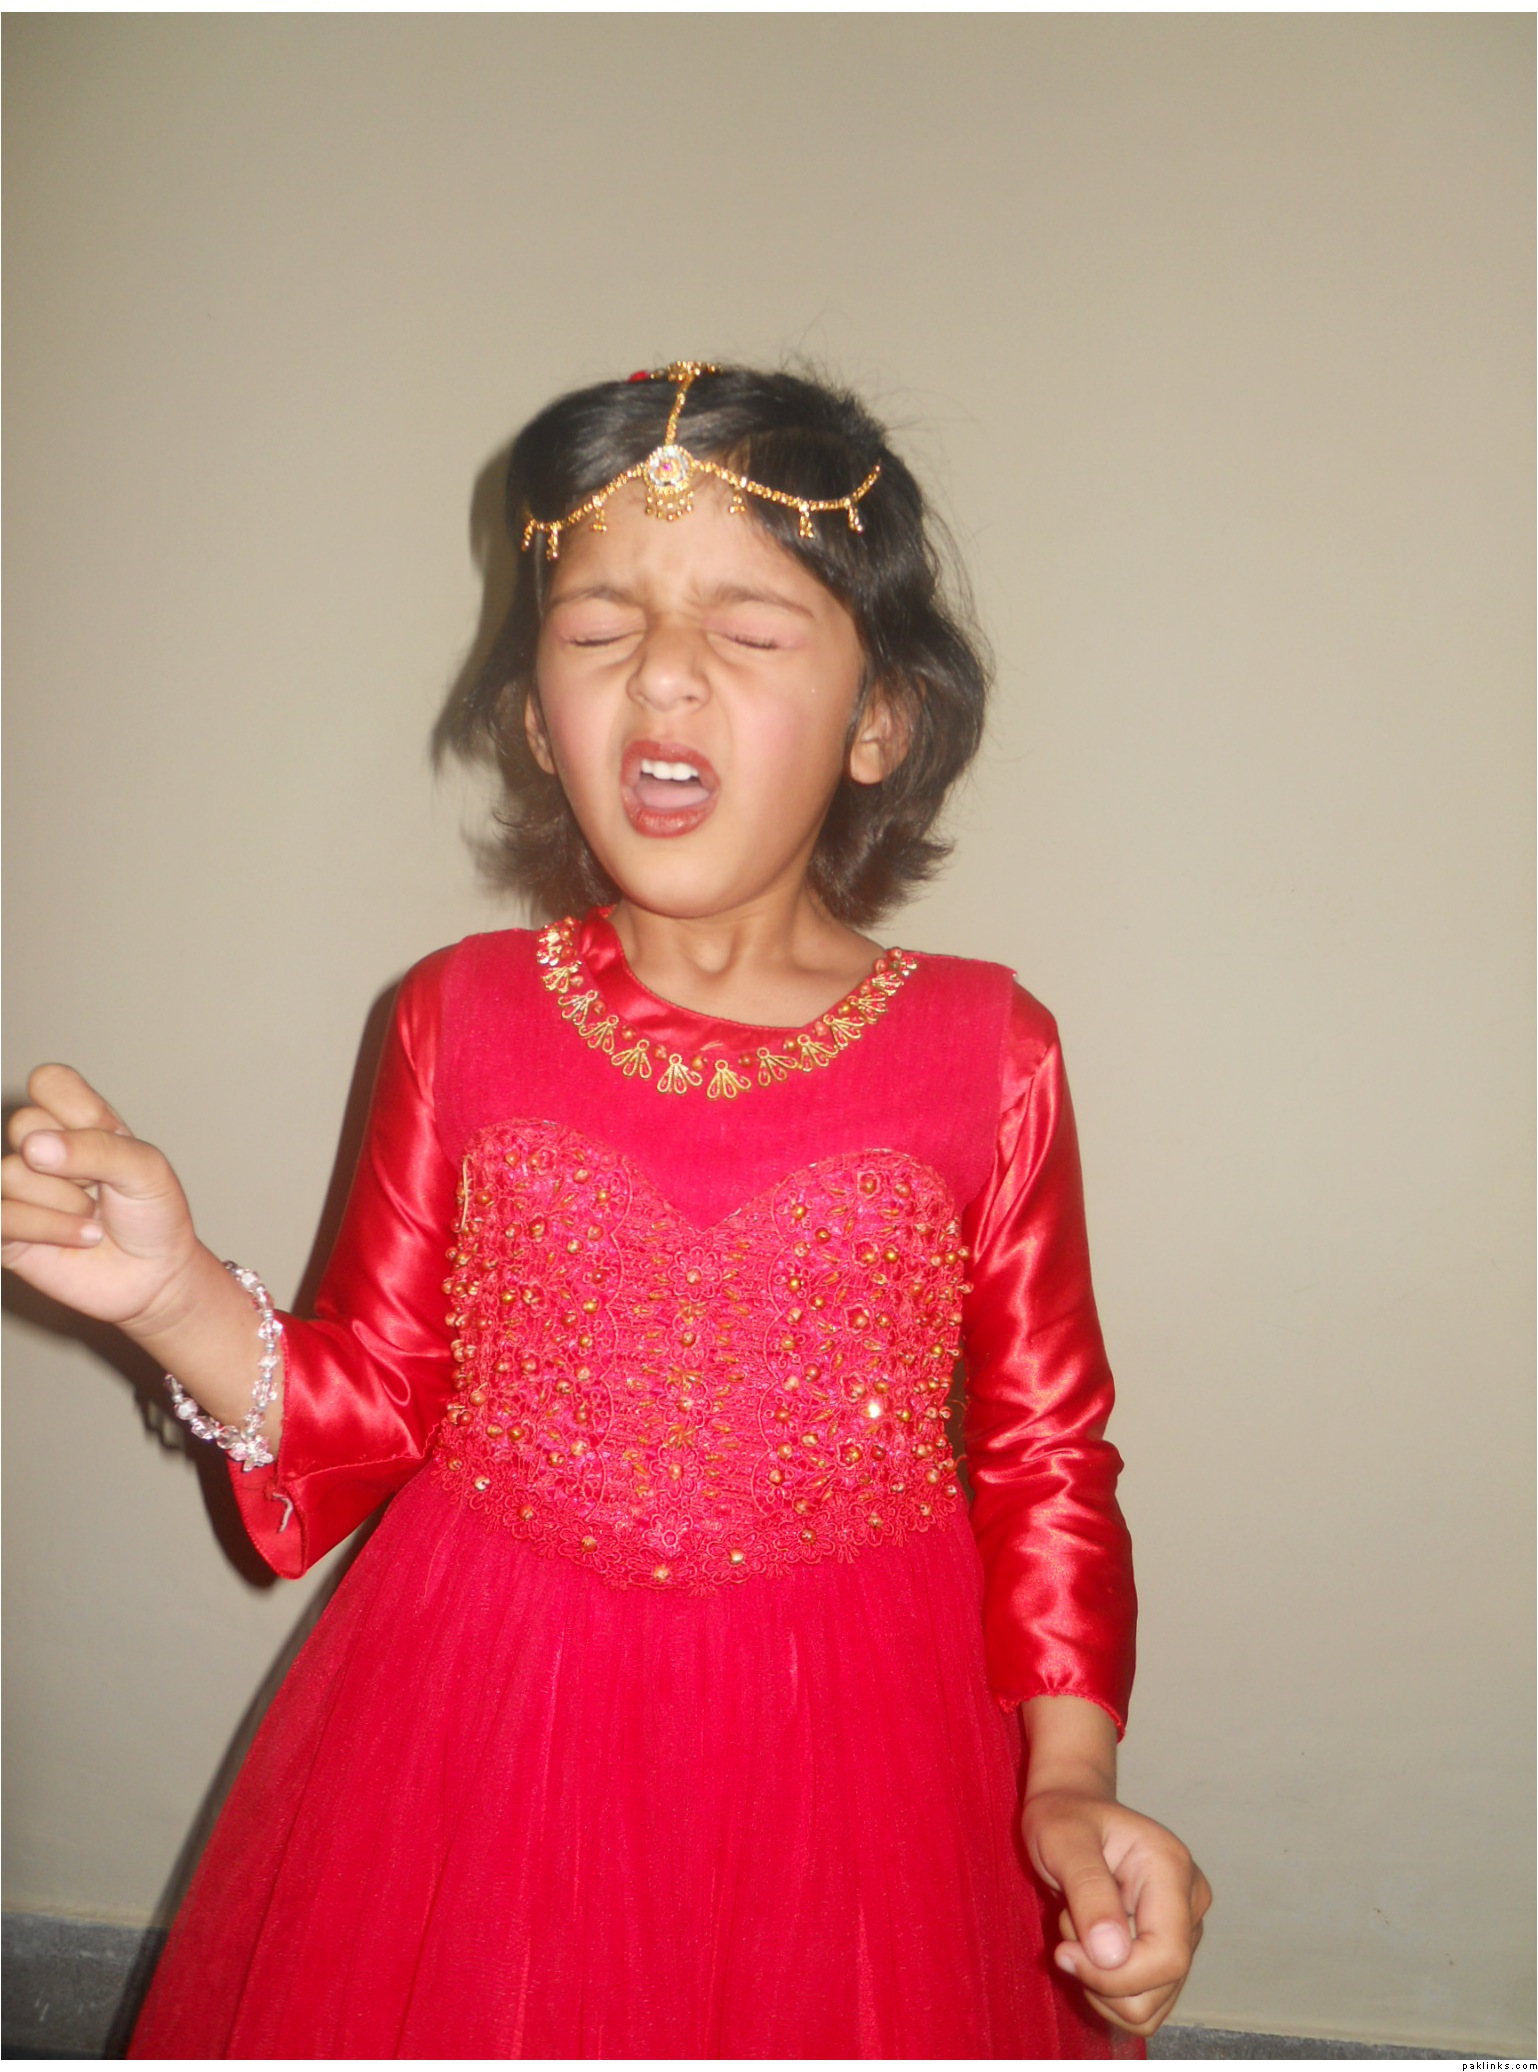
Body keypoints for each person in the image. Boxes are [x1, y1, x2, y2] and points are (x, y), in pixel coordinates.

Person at [1, 361, 1210, 2058]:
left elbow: (1044, 1455)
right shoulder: (458, 1016)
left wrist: (1069, 1775)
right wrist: (169, 1294)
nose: (662, 672)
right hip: (482, 1715)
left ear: (880, 720)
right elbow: (371, 1411)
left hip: (861, 1739)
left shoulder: (987, 1051)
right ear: (530, 715)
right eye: (596, 627)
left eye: (749, 627)